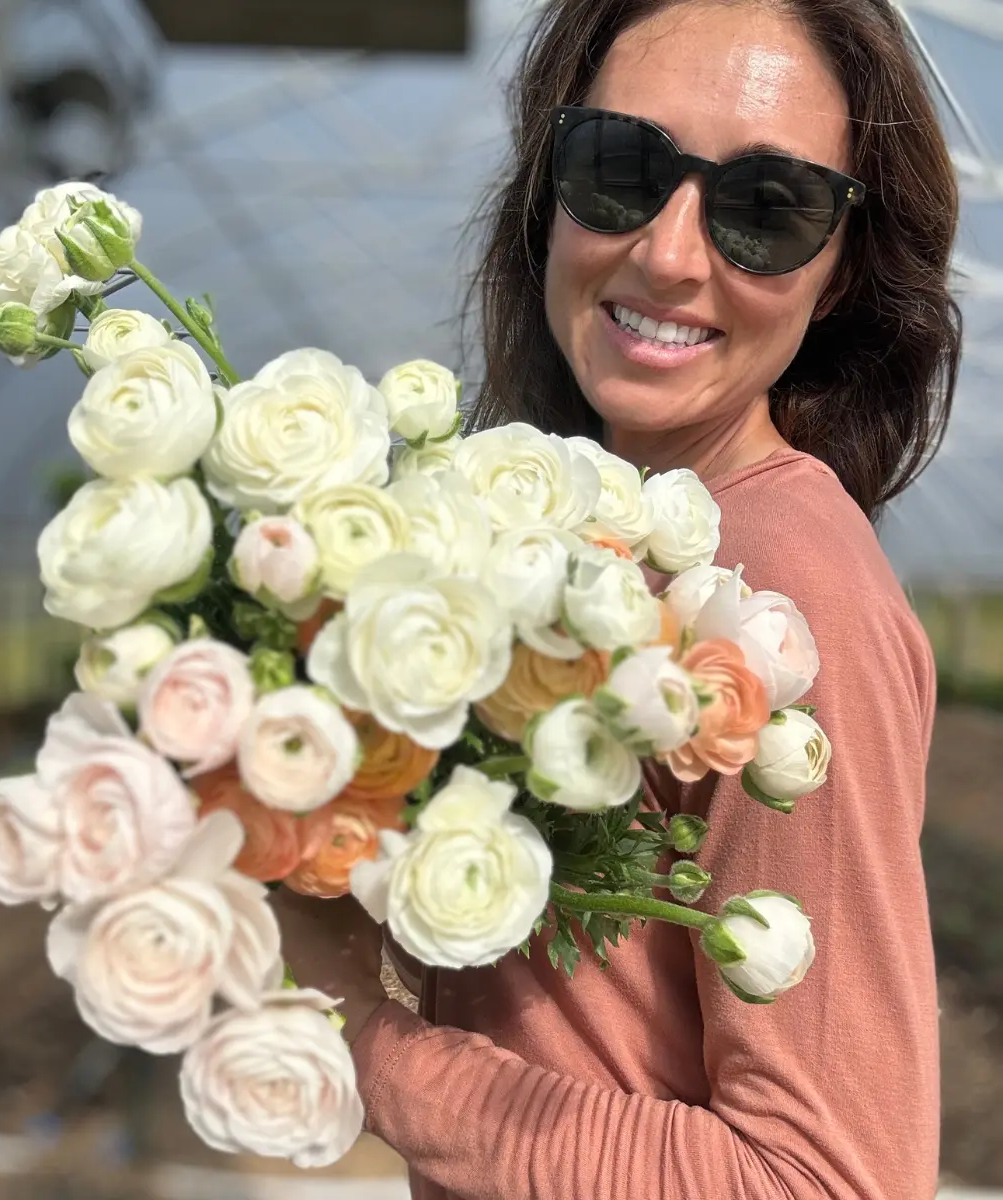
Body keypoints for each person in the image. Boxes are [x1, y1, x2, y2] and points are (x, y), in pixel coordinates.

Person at [273, 0, 961, 1196]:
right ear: (549, 187)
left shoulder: (781, 590)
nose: (671, 254)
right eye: (621, 167)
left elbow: (827, 1178)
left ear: (842, 269)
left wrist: (355, 1034)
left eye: (769, 208)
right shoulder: (585, 538)